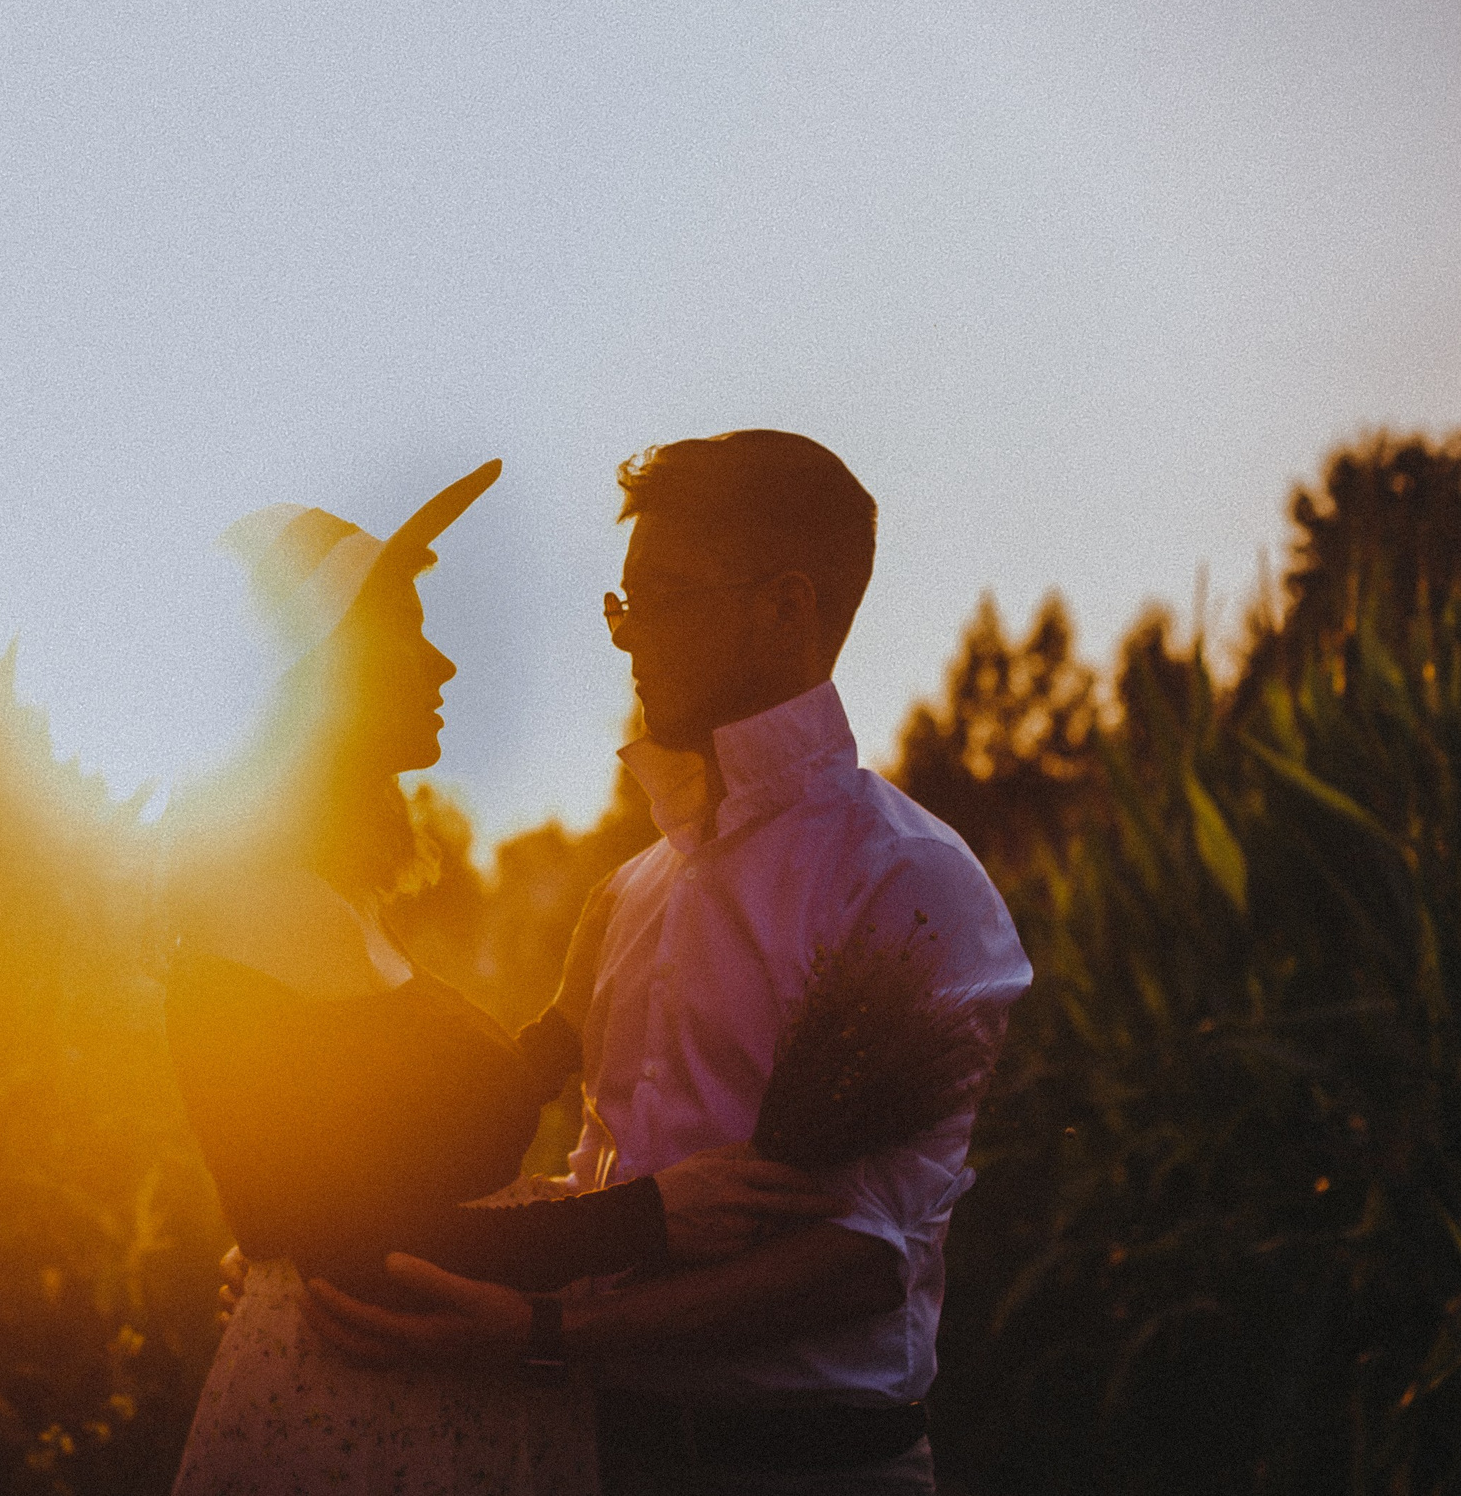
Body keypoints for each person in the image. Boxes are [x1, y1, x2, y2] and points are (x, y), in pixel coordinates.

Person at [301, 431, 1034, 1494]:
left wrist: (544, 1328)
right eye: (620, 602)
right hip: (598, 1459)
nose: (627, 637)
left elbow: (859, 1253)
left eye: (661, 598)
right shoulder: (630, 891)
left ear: (787, 608)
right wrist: (328, 1254)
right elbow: (607, 1183)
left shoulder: (905, 878)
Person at [164, 459, 842, 1496]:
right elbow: (355, 1239)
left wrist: (561, 1023)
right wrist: (650, 1215)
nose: (440, 664)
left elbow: (381, 1155)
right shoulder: (264, 900)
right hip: (359, 1423)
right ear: (316, 672)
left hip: (406, 1409)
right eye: (404, 630)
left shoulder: (325, 902)